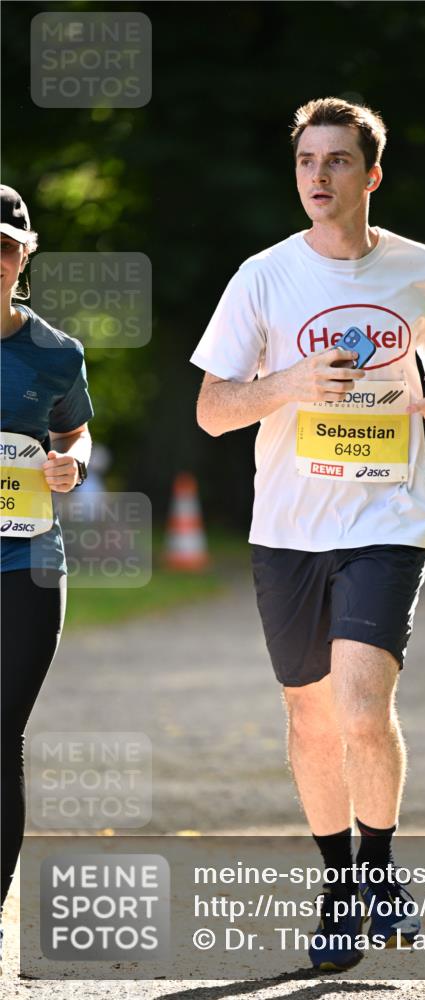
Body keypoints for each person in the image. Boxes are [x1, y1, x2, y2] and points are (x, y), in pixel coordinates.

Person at [191, 97, 425, 971]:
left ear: (370, 174)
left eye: (337, 161)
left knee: (359, 705)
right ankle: (342, 882)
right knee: (310, 718)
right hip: (287, 527)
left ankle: (377, 868)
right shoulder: (263, 277)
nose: (317, 176)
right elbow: (210, 412)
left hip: (387, 514)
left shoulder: (421, 270)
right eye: (307, 162)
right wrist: (290, 381)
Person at [0, 185, 94, 963]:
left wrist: (72, 467)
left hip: (27, 561)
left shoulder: (56, 352)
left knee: (1, 734)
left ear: (24, 256)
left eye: (3, 246)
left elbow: (76, 433)